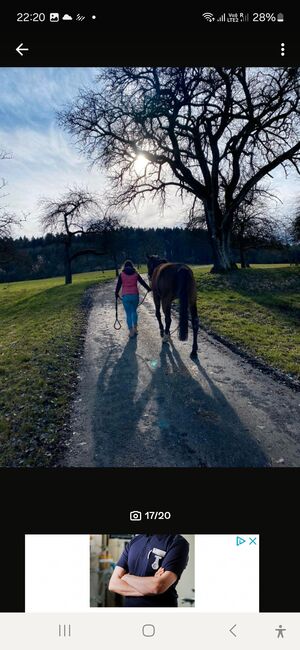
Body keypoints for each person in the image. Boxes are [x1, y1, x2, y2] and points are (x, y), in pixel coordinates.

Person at [108, 534, 189, 607]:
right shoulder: (134, 541)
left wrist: (126, 577)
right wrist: (148, 589)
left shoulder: (177, 542)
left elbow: (158, 586)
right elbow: (113, 584)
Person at [115, 260, 151, 337]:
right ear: (132, 266)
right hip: (135, 295)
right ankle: (135, 329)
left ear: (124, 266)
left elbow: (118, 285)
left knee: (128, 314)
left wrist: (116, 293)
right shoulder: (135, 274)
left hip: (125, 296)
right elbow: (142, 282)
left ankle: (131, 332)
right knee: (134, 311)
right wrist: (148, 288)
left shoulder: (122, 274)